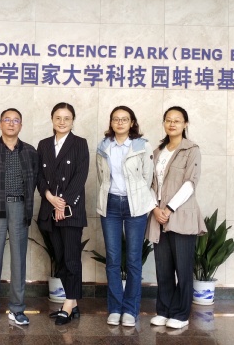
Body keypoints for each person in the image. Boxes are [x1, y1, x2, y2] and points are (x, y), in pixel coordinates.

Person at [146, 106, 206, 330]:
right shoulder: (157, 151)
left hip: (180, 215)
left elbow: (191, 182)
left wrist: (169, 209)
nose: (172, 124)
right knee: (163, 268)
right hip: (158, 216)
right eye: (168, 120)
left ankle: (181, 314)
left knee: (183, 268)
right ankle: (164, 310)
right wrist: (155, 209)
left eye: (177, 120)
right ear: (164, 123)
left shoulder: (191, 150)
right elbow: (149, 184)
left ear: (185, 124)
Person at [0, 108, 39, 326]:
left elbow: (34, 180)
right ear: (0, 123)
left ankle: (17, 309)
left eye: (16, 120)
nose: (11, 124)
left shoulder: (30, 151)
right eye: (7, 120)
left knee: (19, 258)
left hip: (20, 207)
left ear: (21, 125)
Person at [96, 106, 156, 327]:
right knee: (113, 259)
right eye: (116, 119)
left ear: (132, 123)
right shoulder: (103, 146)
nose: (120, 122)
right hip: (111, 204)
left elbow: (147, 177)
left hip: (135, 206)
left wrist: (140, 198)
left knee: (133, 260)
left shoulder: (142, 146)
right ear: (111, 123)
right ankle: (115, 308)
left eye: (124, 119)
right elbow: (102, 176)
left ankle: (130, 309)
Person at [37, 102, 89, 326]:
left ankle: (68, 303)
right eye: (58, 117)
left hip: (71, 212)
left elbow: (80, 176)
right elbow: (39, 176)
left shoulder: (80, 144)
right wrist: (50, 197)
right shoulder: (44, 144)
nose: (62, 122)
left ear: (73, 121)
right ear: (52, 119)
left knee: (71, 259)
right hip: (49, 210)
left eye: (67, 118)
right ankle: (73, 303)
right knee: (60, 259)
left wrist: (63, 203)